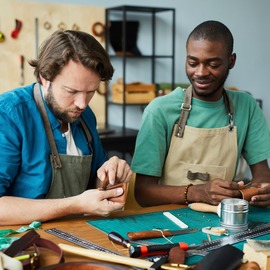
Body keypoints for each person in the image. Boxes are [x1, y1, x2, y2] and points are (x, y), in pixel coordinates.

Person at [131, 20, 270, 207]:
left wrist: (261, 190)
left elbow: (262, 173)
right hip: (166, 221)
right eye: (192, 63)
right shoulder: (159, 110)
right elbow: (142, 193)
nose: (201, 72)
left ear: (231, 61)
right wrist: (198, 192)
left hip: (219, 222)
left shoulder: (246, 106)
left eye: (212, 64)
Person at [0, 30, 132, 225]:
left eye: (91, 92)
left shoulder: (85, 117)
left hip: (79, 233)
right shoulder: (9, 115)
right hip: (25, 242)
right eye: (72, 91)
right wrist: (76, 205)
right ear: (45, 77)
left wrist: (110, 176)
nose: (82, 103)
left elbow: (96, 187)